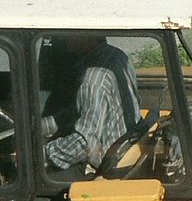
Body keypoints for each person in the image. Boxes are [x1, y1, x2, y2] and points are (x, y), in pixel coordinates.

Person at [43, 35, 141, 175]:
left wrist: (40, 155)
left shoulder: (93, 81)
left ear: (89, 37)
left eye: (69, 33)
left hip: (102, 166)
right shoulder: (117, 56)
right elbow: (81, 111)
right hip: (119, 149)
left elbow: (84, 145)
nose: (62, 38)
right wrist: (39, 127)